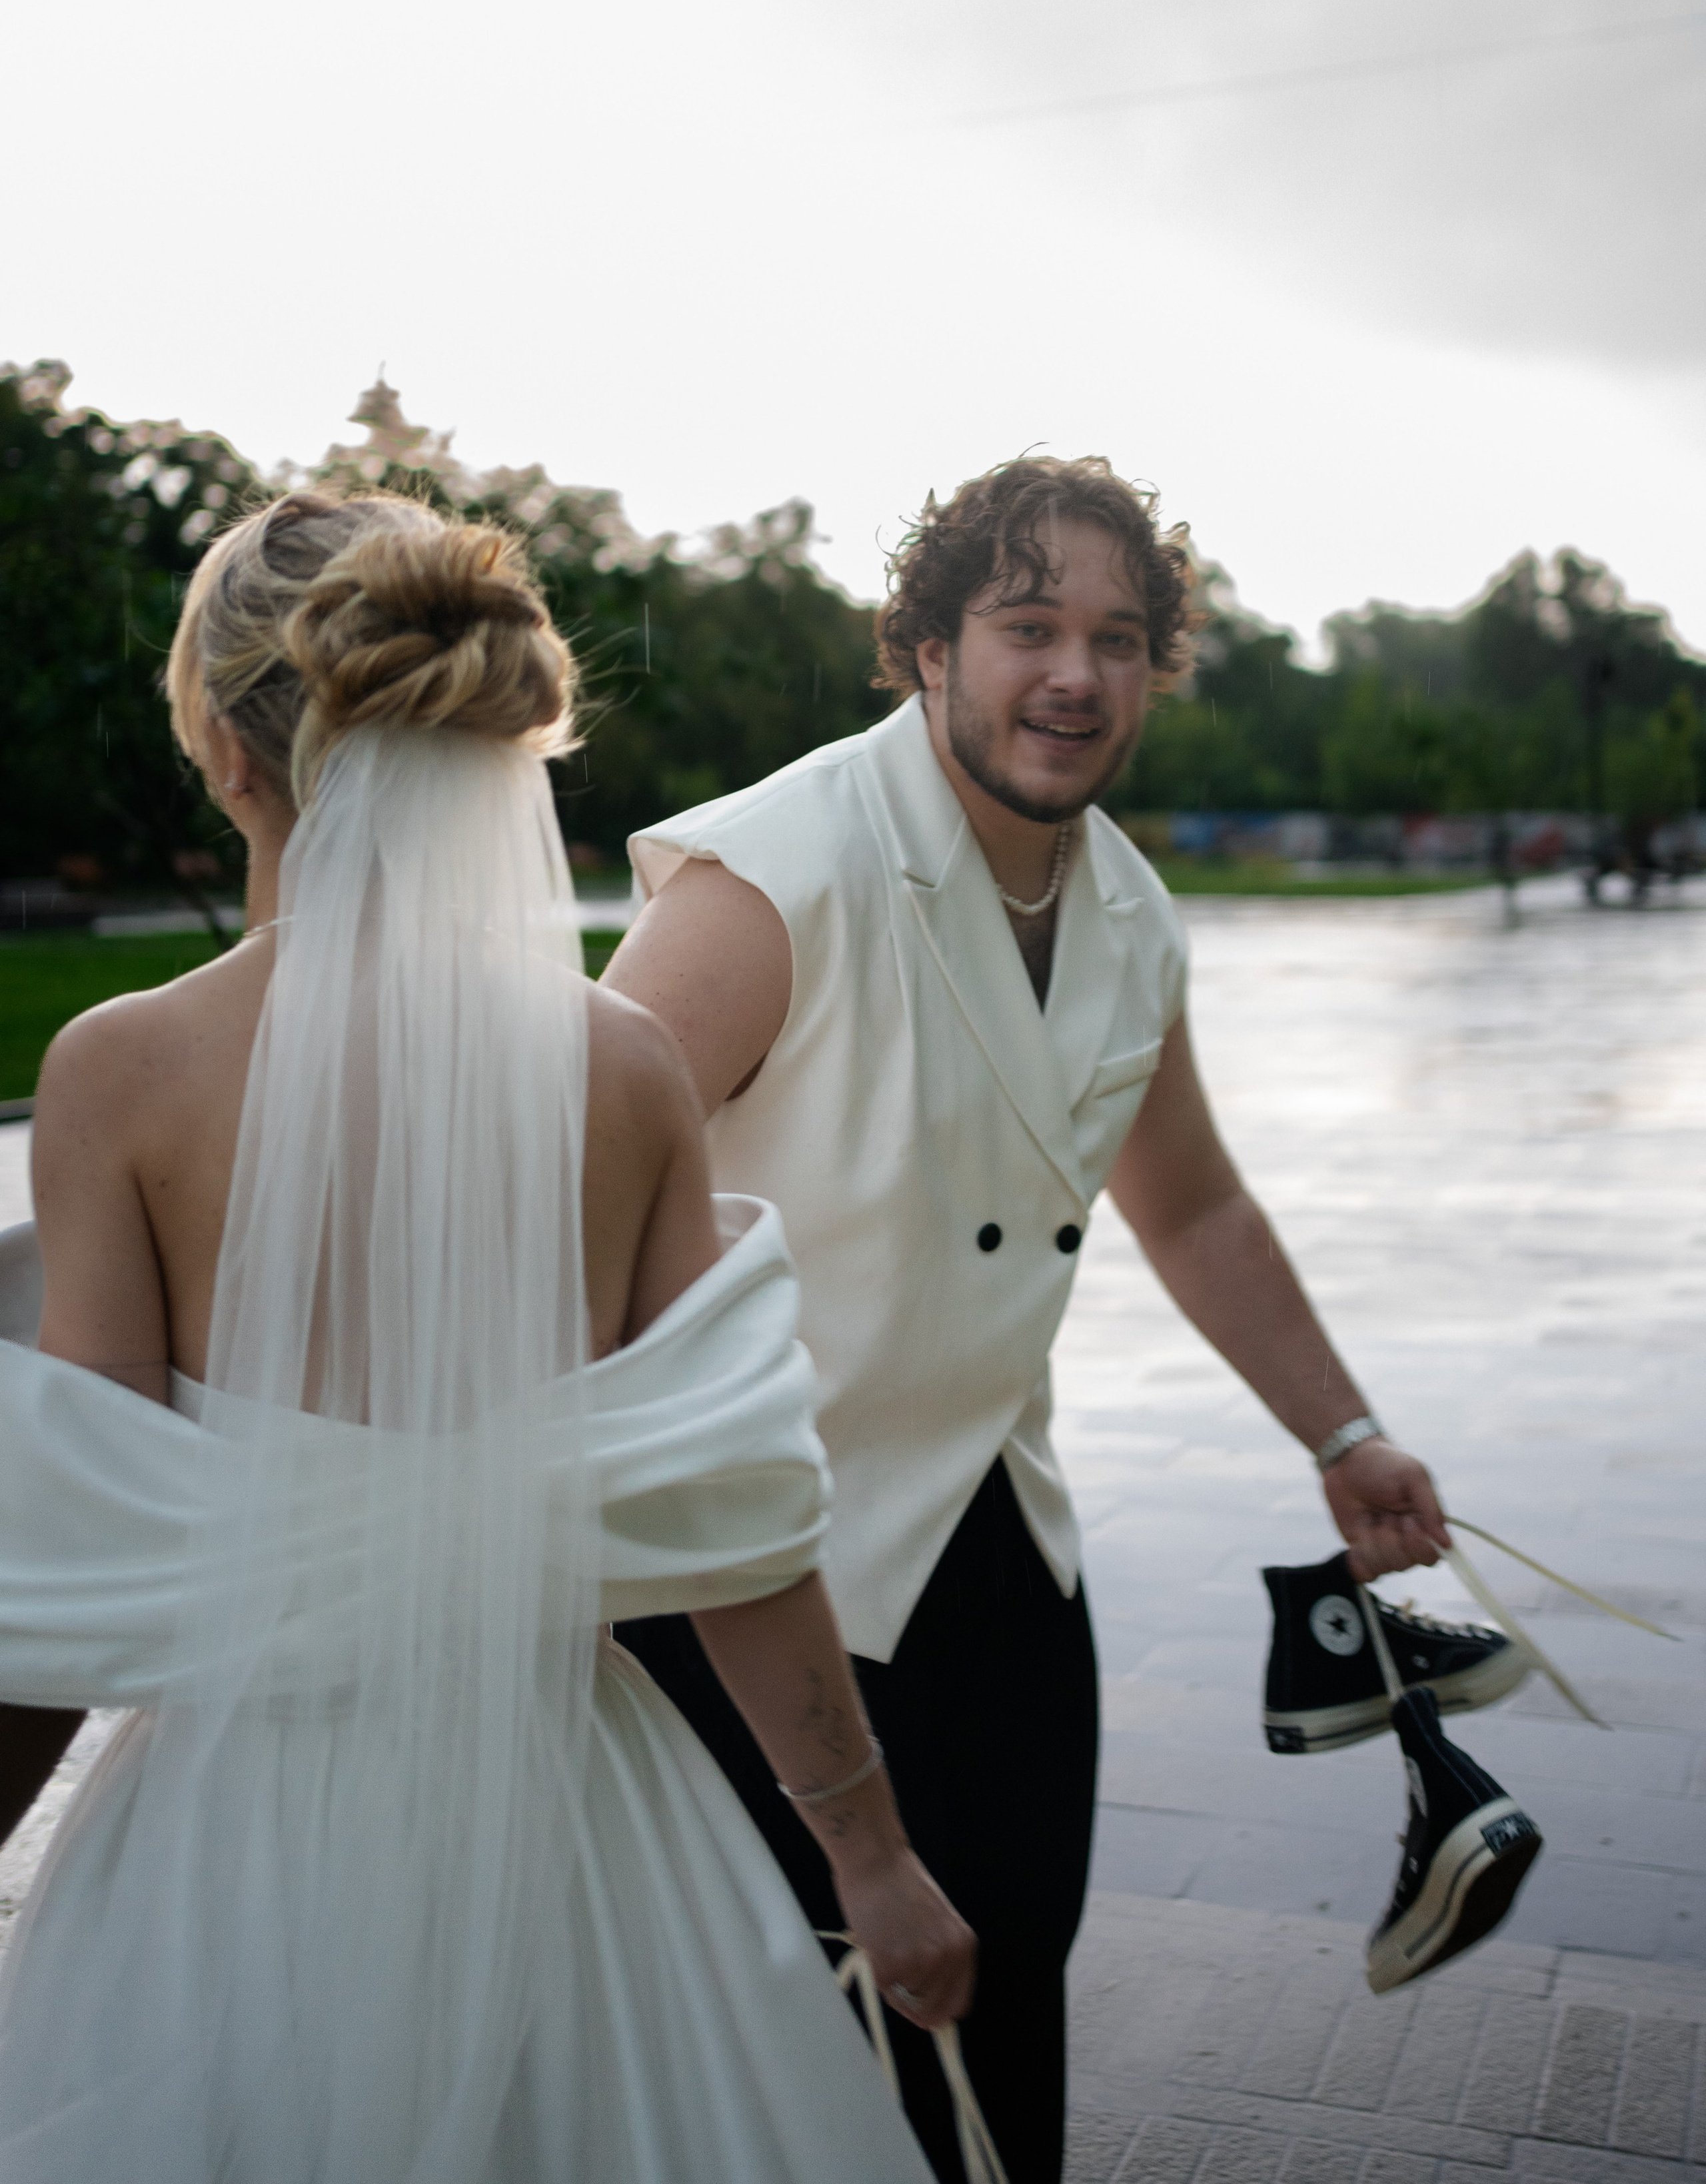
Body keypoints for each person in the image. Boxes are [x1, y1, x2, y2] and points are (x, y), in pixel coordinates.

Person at [0, 489, 976, 2183]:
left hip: (239, 1837)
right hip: (569, 1816)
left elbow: (68, 1556)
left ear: (228, 756)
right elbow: (737, 1525)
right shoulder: (620, 1075)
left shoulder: (118, 1077)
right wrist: (870, 1861)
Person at [605, 454, 1449, 2184]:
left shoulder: (1130, 908)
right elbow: (553, 1198)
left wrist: (1343, 1431)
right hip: (748, 1569)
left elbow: (1193, 1198)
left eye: (1120, 637)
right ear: (926, 648)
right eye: (1027, 625)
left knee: (1006, 2009)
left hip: (997, 1546)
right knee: (789, 2056)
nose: (1077, 672)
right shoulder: (773, 875)